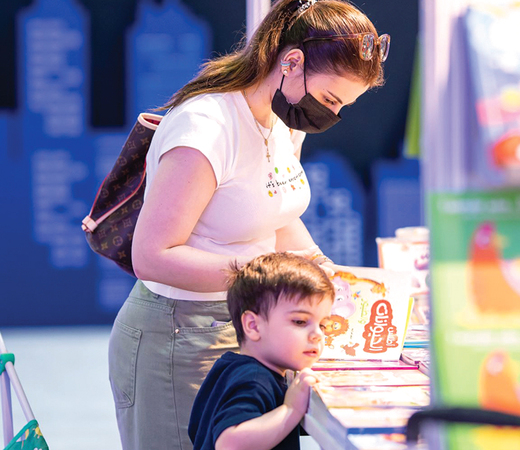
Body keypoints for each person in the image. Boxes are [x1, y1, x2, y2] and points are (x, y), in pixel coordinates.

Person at [107, 0, 389, 448]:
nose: (332, 116)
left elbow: (276, 213)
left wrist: (324, 269)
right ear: (291, 62)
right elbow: (153, 256)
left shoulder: (284, 121)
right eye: (330, 99)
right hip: (178, 335)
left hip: (246, 326)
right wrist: (266, 279)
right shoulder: (206, 127)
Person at [188, 252, 334, 450]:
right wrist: (292, 409)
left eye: (323, 325)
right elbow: (229, 444)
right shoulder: (254, 380)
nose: (317, 334)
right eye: (300, 321)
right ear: (253, 326)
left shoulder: (231, 367)